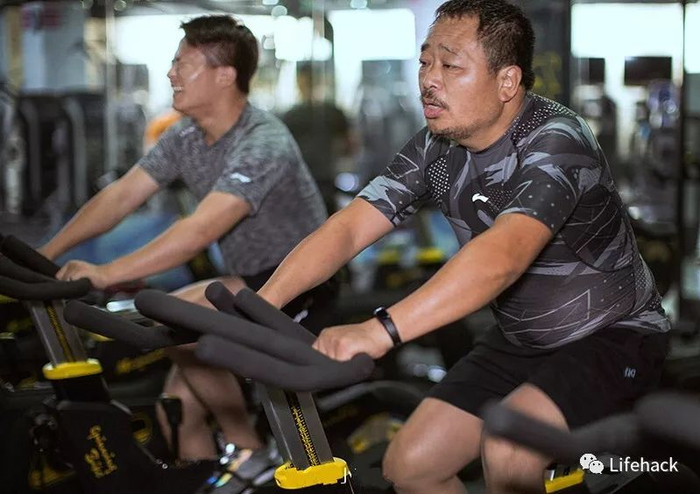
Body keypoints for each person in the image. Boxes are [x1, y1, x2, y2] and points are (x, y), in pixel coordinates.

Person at [256, 1, 671, 493]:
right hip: (520, 341)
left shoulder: (556, 140)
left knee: (510, 449)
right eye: (425, 62)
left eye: (451, 66)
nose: (429, 79)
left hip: (612, 335)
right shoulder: (436, 146)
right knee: (410, 466)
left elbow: (502, 257)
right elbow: (349, 228)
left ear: (507, 81)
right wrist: (263, 304)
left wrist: (380, 331)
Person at [39, 15, 330, 475]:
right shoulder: (186, 135)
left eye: (183, 64)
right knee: (177, 412)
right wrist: (46, 253)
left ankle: (249, 450)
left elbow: (200, 230)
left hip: (301, 281)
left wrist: (106, 273)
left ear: (224, 75)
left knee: (174, 316)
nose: (171, 73)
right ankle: (216, 474)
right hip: (247, 278)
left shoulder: (263, 141)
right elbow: (122, 195)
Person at [281, 61, 355, 214]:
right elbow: (350, 146)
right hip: (316, 182)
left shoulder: (291, 116)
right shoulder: (331, 112)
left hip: (311, 182)